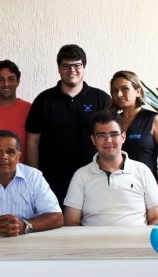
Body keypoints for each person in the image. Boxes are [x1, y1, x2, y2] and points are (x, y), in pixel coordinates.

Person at [25, 44, 110, 207]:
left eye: (77, 65)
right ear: (59, 68)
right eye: (66, 66)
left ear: (84, 67)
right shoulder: (44, 100)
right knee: (56, 229)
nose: (72, 70)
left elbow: (113, 139)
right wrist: (34, 179)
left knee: (92, 229)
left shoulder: (101, 99)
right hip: (52, 181)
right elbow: (32, 142)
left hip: (94, 179)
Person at [63, 110, 158, 226]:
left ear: (123, 137)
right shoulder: (81, 175)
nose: (108, 140)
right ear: (93, 140)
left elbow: (157, 218)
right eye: (101, 135)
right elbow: (71, 222)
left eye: (114, 134)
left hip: (136, 243)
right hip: (94, 244)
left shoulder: (142, 171)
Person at [109, 70, 158, 210]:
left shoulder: (153, 120)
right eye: (115, 91)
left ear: (138, 91)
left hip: (146, 189)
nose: (119, 95)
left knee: (146, 231)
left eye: (125, 89)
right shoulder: (113, 121)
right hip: (117, 190)